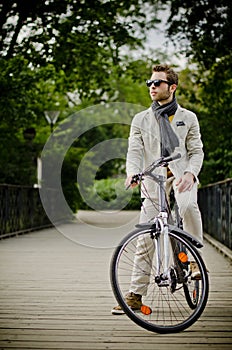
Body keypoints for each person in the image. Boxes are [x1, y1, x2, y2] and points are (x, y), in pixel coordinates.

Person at [112, 64, 204, 315]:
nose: (152, 87)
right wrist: (132, 172)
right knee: (145, 238)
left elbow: (196, 151)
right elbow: (134, 151)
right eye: (149, 83)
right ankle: (134, 296)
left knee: (187, 206)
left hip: (181, 177)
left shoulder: (189, 118)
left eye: (157, 83)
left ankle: (195, 262)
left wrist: (190, 173)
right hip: (153, 180)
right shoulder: (140, 119)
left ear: (172, 87)